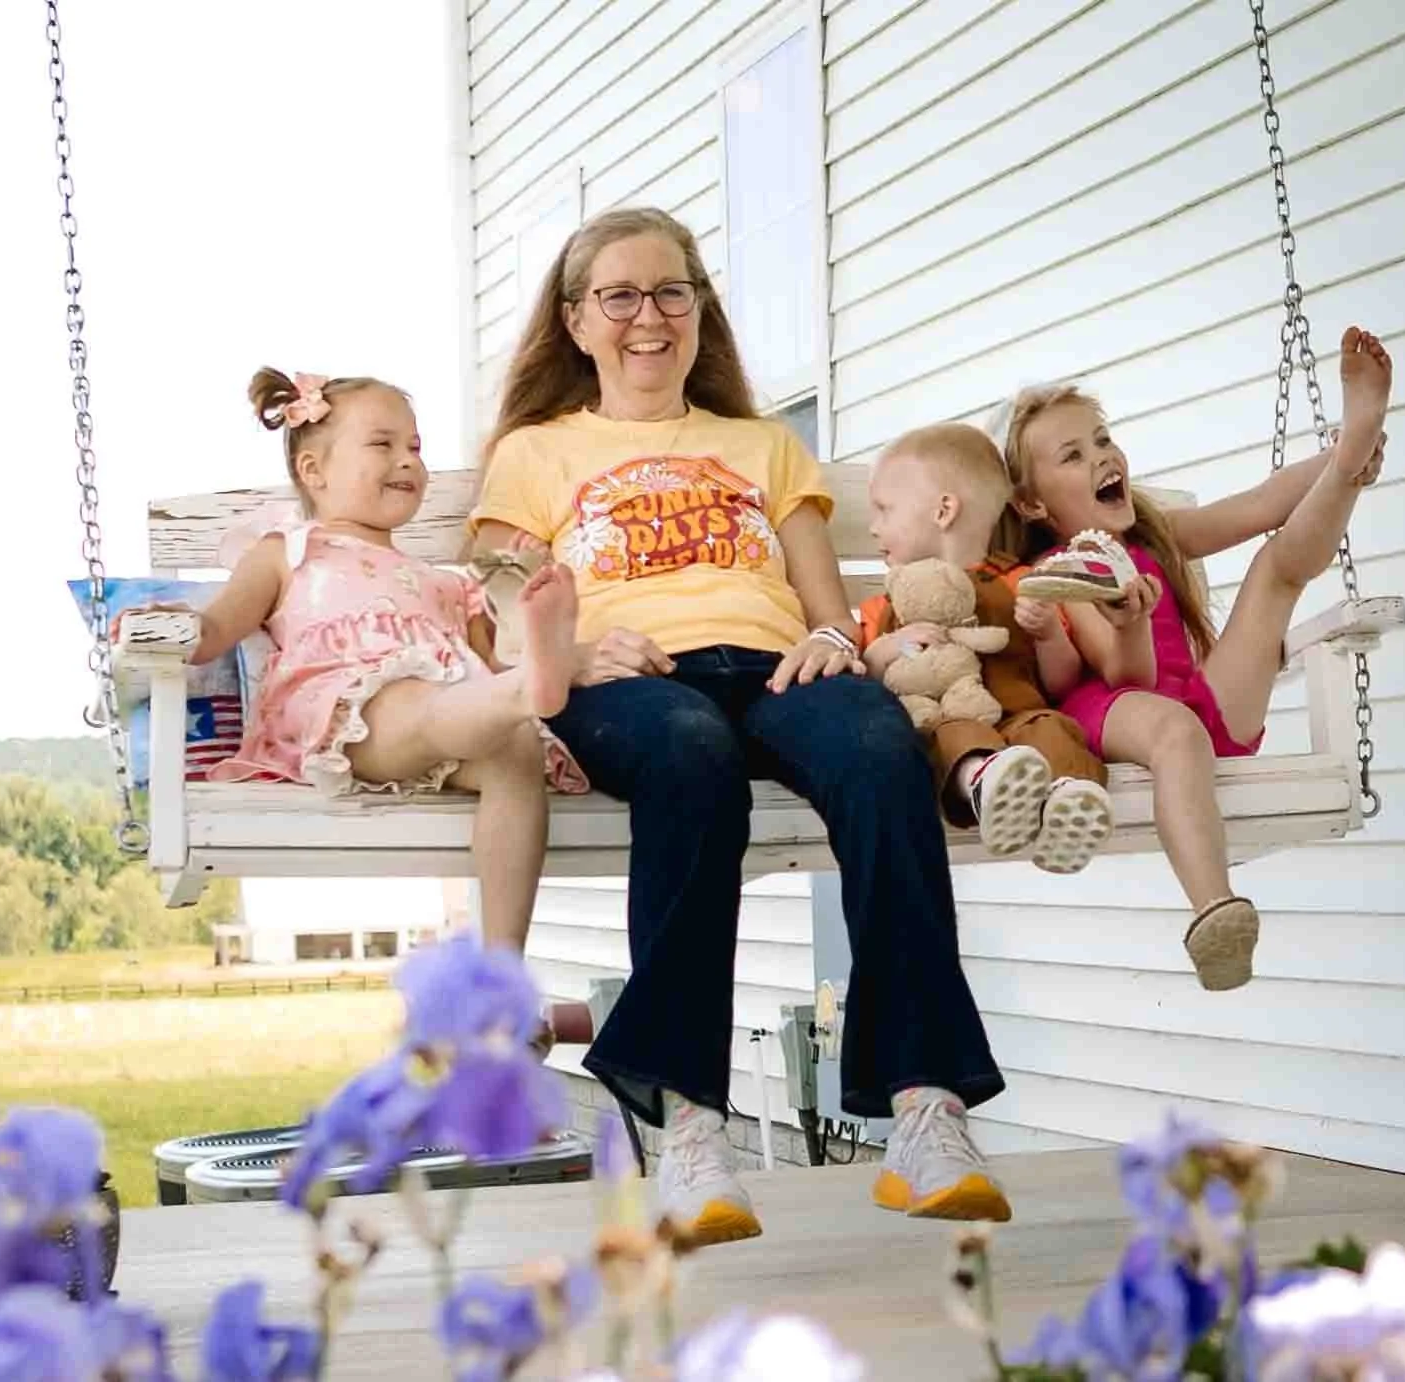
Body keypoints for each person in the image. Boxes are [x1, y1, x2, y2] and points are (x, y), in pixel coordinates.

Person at [468, 207, 1012, 1235]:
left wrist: (836, 641)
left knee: (878, 747)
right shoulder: (537, 453)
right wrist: (573, 653)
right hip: (628, 678)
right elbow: (502, 604)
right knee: (691, 752)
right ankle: (690, 1127)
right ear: (578, 320)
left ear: (700, 311)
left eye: (672, 290)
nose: (649, 316)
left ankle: (924, 1108)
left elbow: (821, 600)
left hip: (775, 665)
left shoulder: (762, 446)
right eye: (619, 295)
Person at [136, 368, 589, 957]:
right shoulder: (288, 552)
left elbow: (485, 667)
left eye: (416, 447)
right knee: (430, 701)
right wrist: (173, 626)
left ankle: (502, 968)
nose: (407, 460)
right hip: (350, 717)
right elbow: (218, 628)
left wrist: (517, 611)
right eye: (383, 444)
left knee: (515, 749)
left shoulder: (446, 584)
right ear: (314, 471)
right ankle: (534, 687)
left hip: (450, 713)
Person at [997, 326, 1392, 991]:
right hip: (1117, 716)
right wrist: (1127, 622)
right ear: (1032, 503)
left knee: (1274, 569)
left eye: (1101, 438)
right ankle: (1214, 908)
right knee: (1173, 728)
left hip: (1202, 706)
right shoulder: (1060, 568)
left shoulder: (1154, 534)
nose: (1100, 456)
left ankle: (1350, 460)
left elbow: (1264, 505)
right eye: (1071, 454)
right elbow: (1128, 679)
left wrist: (1332, 461)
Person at [859, 422, 1113, 873]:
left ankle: (1068, 804)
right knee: (952, 736)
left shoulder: (1024, 584)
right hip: (947, 723)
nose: (874, 526)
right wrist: (886, 650)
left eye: (884, 509)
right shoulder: (888, 603)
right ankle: (986, 781)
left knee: (1051, 726)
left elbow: (1059, 685)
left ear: (943, 511)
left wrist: (1050, 635)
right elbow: (865, 677)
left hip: (1021, 716)